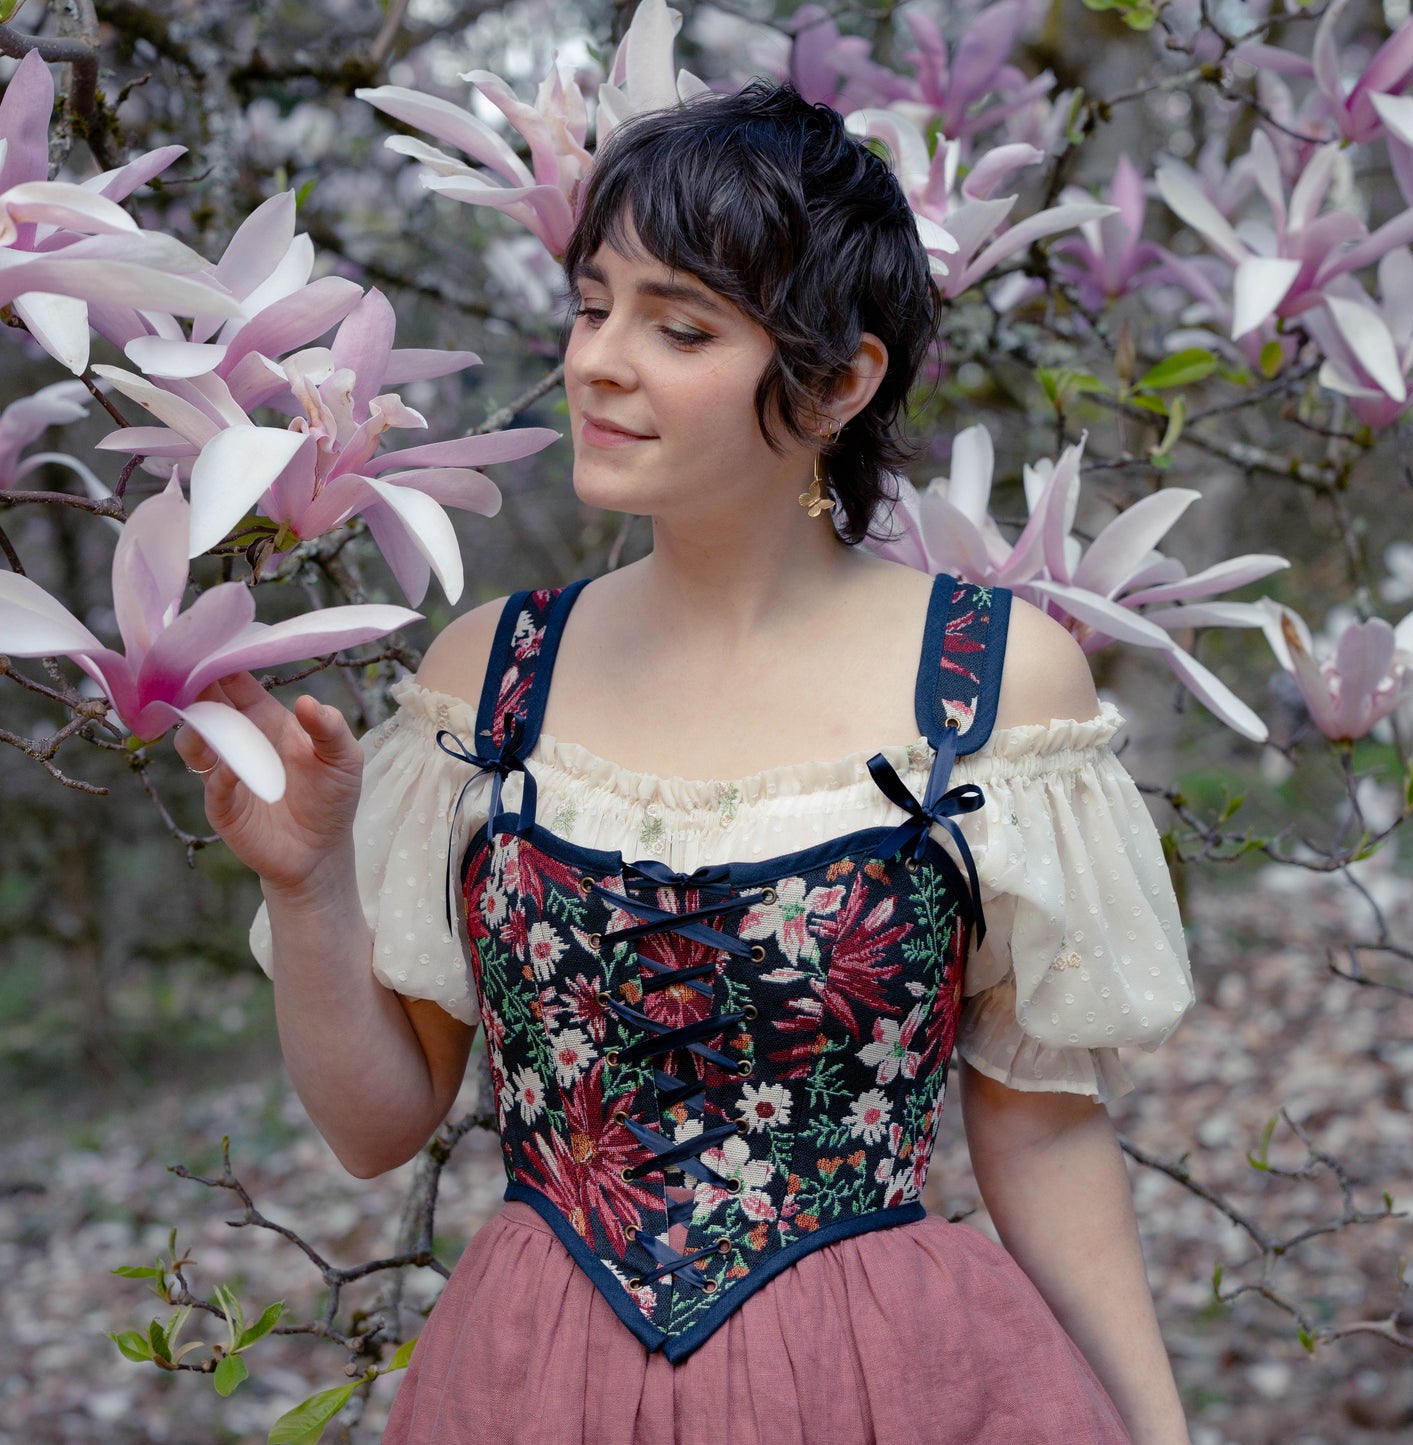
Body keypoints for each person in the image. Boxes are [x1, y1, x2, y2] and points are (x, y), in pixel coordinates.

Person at [179, 83, 1194, 1444]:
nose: (600, 359)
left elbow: (1043, 1128)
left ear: (840, 381)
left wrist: (1157, 1427)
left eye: (678, 326)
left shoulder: (991, 684)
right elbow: (378, 1125)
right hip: (535, 1386)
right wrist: (309, 891)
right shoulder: (489, 678)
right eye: (594, 305)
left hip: (881, 1384)